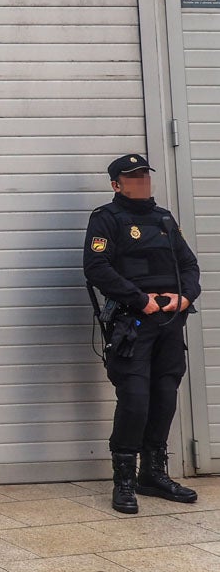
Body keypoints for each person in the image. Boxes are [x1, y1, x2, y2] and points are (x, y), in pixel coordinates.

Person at [83, 153, 200, 514]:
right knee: (134, 399)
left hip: (169, 322)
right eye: (132, 177)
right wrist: (140, 300)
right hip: (132, 322)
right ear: (116, 184)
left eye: (144, 175)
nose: (141, 182)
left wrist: (185, 297)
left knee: (165, 395)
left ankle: (152, 474)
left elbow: (189, 264)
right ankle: (125, 481)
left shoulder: (164, 219)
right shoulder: (107, 219)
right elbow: (96, 268)